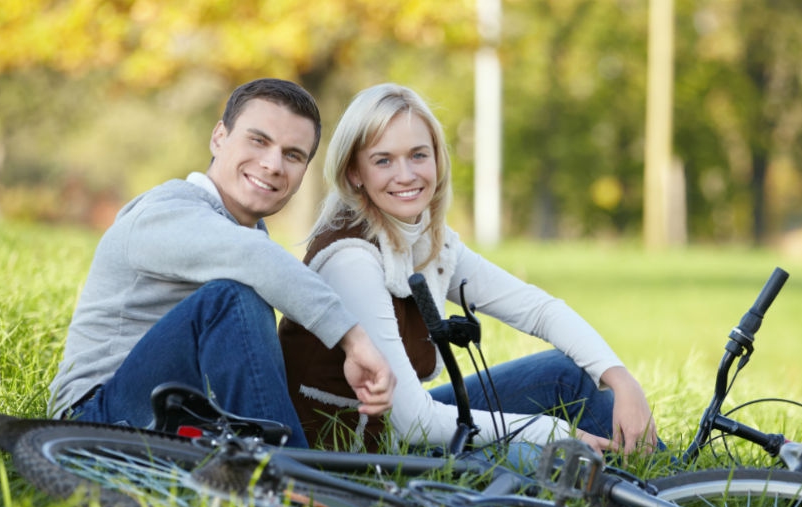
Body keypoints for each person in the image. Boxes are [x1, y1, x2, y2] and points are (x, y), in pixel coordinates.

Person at [278, 83, 658, 458]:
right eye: (383, 160)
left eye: (418, 155)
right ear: (355, 173)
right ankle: (654, 494)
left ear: (437, 159)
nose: (406, 174)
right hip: (358, 457)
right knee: (546, 460)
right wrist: (550, 432)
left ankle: (669, 478)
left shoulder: (423, 239)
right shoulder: (351, 261)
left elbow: (537, 309)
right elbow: (414, 422)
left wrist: (621, 379)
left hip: (398, 434)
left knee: (565, 373)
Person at [48, 78, 396, 448]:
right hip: (92, 421)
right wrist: (354, 340)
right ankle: (291, 475)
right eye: (258, 140)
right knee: (231, 297)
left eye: (293, 155)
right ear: (218, 137)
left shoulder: (245, 235)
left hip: (180, 415)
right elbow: (252, 257)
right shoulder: (165, 212)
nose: (273, 164)